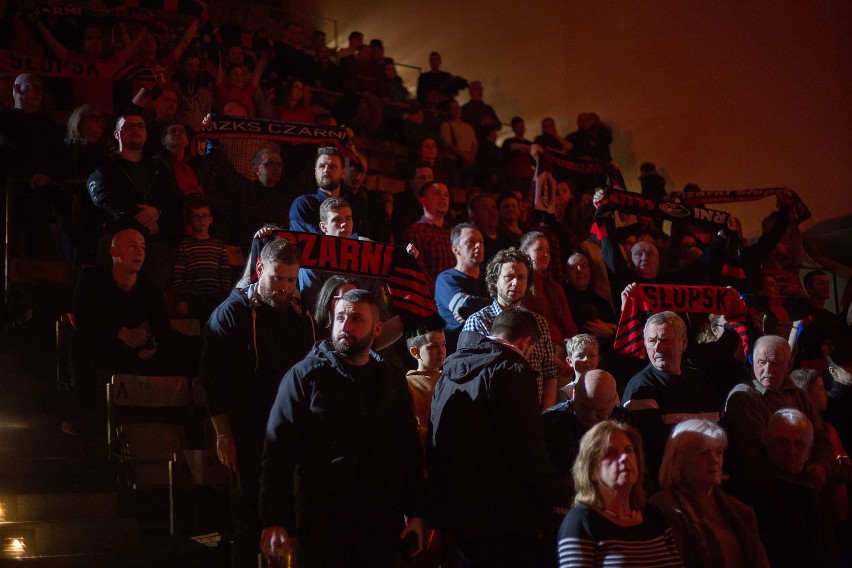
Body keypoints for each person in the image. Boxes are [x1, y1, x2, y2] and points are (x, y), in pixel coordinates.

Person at [260, 289, 426, 566]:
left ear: (377, 328)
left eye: (356, 319)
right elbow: (277, 453)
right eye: (340, 318)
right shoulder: (305, 376)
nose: (345, 326)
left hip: (380, 525)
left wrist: (417, 512)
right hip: (324, 526)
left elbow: (407, 450)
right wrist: (275, 520)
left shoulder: (390, 381)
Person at [200, 239, 315, 567]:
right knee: (249, 522)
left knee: (292, 522)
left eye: (291, 280)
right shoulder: (233, 312)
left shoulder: (299, 314)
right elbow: (211, 377)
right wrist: (223, 433)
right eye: (278, 278)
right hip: (246, 429)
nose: (284, 288)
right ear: (261, 269)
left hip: (288, 434)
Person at [429, 308, 571, 566]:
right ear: (525, 342)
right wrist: (562, 491)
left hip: (454, 512)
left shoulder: (448, 374)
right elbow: (525, 451)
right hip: (500, 519)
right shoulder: (513, 370)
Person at [73, 229, 192, 419]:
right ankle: (88, 419)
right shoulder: (92, 279)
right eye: (132, 246)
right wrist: (119, 332)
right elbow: (85, 319)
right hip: (104, 346)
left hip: (137, 351)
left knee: (186, 349)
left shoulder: (149, 287)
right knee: (81, 348)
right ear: (113, 252)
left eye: (143, 248)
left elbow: (161, 326)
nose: (139, 252)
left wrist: (152, 344)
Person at [556, 421, 682, 567]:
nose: (624, 458)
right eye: (610, 453)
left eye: (628, 450)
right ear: (592, 471)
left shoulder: (654, 516)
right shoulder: (581, 521)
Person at [649, 420, 771, 568]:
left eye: (718, 452)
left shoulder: (739, 509)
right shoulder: (664, 506)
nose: (714, 460)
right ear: (679, 460)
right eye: (702, 452)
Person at [723, 334, 835, 490]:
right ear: (752, 362)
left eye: (775, 363)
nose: (767, 369)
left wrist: (822, 467)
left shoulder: (799, 395)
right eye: (761, 362)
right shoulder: (744, 396)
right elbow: (757, 456)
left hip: (806, 486)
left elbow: (822, 437)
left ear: (789, 366)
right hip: (769, 489)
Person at [621, 311, 721, 482]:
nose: (658, 347)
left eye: (665, 340)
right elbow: (653, 451)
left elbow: (719, 433)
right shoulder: (641, 389)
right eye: (652, 341)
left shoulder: (702, 382)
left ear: (683, 343)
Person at [87, 111, 183, 288]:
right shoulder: (105, 168)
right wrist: (143, 222)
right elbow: (104, 200)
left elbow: (174, 199)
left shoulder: (159, 167)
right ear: (117, 134)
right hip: (118, 242)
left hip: (153, 246)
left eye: (140, 126)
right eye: (128, 126)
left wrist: (157, 212)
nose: (136, 130)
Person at [462, 248, 565, 409]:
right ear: (495, 280)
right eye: (509, 277)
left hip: (533, 416)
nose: (516, 283)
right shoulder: (478, 322)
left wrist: (544, 417)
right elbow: (470, 378)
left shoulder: (539, 322)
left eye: (521, 277)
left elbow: (550, 375)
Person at [745, 409, 827, 568]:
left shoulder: (809, 486)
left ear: (809, 450)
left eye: (799, 443)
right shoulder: (754, 493)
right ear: (766, 442)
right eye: (782, 442)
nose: (791, 451)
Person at [433, 223, 490, 353]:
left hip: (489, 352)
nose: (478, 246)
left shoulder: (489, 278)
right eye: (471, 242)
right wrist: (498, 306)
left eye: (481, 242)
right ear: (456, 249)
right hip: (461, 355)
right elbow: (464, 306)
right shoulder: (446, 279)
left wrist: (473, 312)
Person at [171, 197, 231, 321]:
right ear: (190, 220)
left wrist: (226, 297)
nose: (201, 219)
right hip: (192, 299)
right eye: (196, 216)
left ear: (211, 219)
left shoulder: (219, 245)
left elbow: (225, 274)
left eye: (205, 215)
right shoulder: (185, 245)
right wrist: (180, 300)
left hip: (215, 299)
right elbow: (178, 275)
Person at [520, 231, 578, 344]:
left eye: (548, 251)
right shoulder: (520, 285)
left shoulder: (554, 287)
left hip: (560, 347)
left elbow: (569, 326)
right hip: (535, 348)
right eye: (539, 249)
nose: (546, 254)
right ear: (525, 253)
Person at [406, 180, 455, 288]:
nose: (443, 198)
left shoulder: (453, 232)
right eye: (437, 193)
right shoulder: (416, 230)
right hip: (432, 295)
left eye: (446, 195)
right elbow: (419, 267)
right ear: (422, 199)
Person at [405, 328, 447, 447]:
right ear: (415, 352)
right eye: (433, 346)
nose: (441, 351)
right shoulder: (409, 383)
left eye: (443, 345)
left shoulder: (449, 377)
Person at [289, 146, 345, 233]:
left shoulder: (353, 206)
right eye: (322, 166)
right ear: (315, 172)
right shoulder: (303, 205)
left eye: (332, 166)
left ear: (343, 173)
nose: (326, 170)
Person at [558, 334, 601, 401]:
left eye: (591, 356)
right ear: (569, 361)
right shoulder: (565, 392)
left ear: (598, 360)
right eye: (580, 356)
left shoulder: (606, 388)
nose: (586, 359)